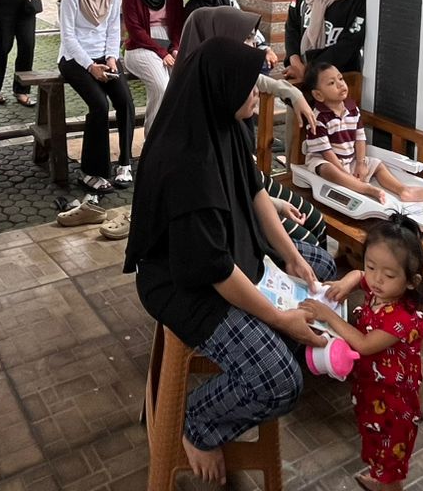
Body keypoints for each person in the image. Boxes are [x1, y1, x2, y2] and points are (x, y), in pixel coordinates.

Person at [124, 36, 336, 485]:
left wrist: (292, 257)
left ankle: (270, 347)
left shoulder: (227, 121)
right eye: (248, 84)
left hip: (229, 252)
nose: (257, 91)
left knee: (321, 267)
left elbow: (255, 192)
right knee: (280, 382)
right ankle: (197, 423)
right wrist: (279, 319)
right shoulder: (186, 163)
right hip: (188, 285)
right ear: (221, 87)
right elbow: (216, 270)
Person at [178, 6, 327, 250]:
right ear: (218, 40)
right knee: (307, 245)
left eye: (252, 37)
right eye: (246, 38)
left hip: (246, 177)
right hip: (233, 197)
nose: (253, 45)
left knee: (316, 222)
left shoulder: (230, 75)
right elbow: (218, 191)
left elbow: (262, 81)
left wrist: (294, 94)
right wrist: (270, 205)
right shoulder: (193, 104)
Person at [300, 216, 423, 491]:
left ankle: (387, 484)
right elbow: (359, 276)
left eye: (389, 275)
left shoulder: (403, 318)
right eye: (371, 266)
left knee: (390, 461)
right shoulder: (380, 288)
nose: (376, 279)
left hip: (395, 407)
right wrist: (347, 282)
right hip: (371, 392)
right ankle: (376, 476)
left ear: (411, 281)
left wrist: (328, 316)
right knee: (374, 443)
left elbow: (364, 344)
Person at [59, 0, 136, 193]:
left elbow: (114, 28)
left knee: (125, 102)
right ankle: (91, 173)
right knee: (100, 105)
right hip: (74, 59)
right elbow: (68, 37)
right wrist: (90, 66)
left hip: (105, 57)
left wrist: (112, 57)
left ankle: (124, 164)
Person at [301, 62, 423, 204]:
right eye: (331, 83)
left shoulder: (352, 109)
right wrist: (344, 173)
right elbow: (327, 153)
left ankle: (403, 190)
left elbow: (360, 138)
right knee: (328, 170)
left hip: (350, 160)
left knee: (378, 165)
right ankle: (367, 189)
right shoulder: (317, 118)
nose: (340, 84)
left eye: (340, 78)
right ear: (318, 95)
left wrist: (361, 163)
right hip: (326, 160)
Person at [121, 0, 186, 131]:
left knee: (180, 85)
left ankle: (172, 137)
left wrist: (175, 47)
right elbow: (135, 30)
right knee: (161, 86)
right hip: (141, 46)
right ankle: (153, 138)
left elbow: (178, 23)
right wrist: (162, 52)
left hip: (168, 45)